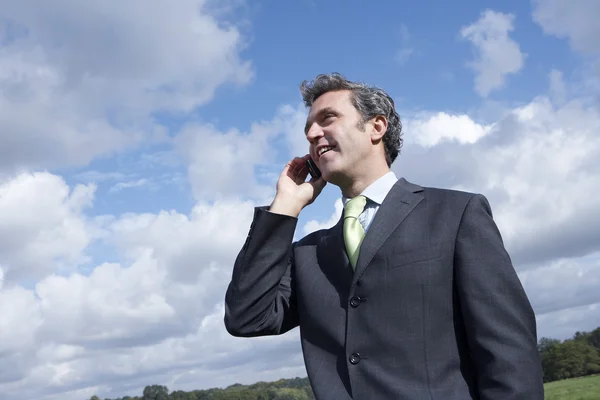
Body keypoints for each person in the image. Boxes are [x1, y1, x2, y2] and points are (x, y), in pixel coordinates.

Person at [224, 73, 544, 399]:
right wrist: (284, 209)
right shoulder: (309, 253)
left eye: (327, 118)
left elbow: (509, 358)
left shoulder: (457, 214)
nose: (312, 133)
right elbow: (247, 318)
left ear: (377, 127)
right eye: (308, 128)